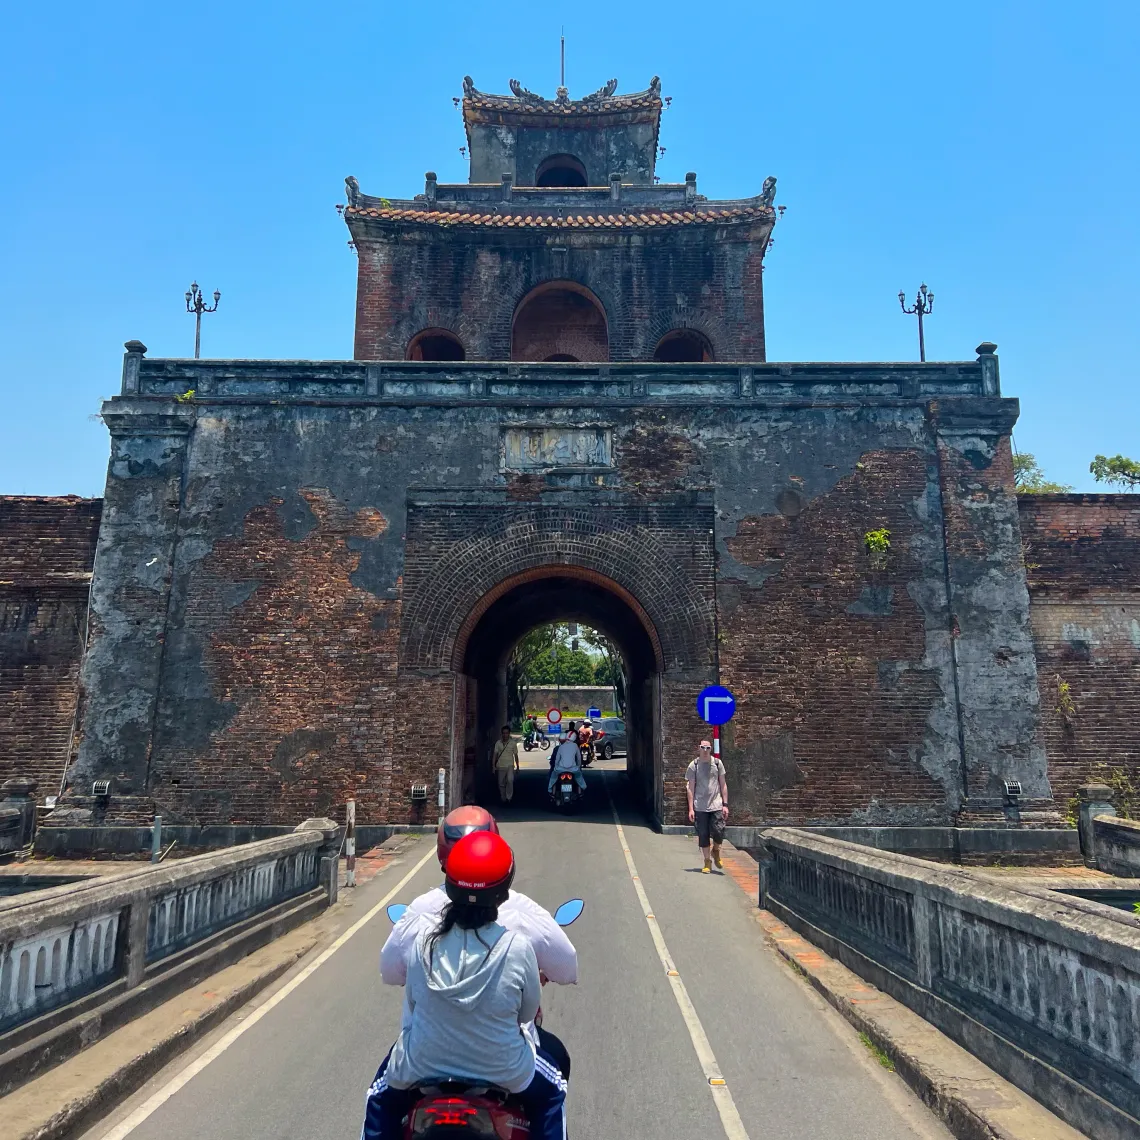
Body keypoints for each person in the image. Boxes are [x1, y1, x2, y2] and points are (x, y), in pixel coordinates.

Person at [363, 831, 568, 1140]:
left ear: (449, 887)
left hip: (422, 1062)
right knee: (553, 1093)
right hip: (504, 1066)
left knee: (379, 1099)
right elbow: (527, 1015)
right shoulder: (517, 947)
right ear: (502, 892)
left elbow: (415, 1004)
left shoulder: (423, 943)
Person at [380, 807, 577, 1077]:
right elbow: (538, 999)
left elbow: (391, 973)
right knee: (554, 1084)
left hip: (423, 1064)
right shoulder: (517, 936)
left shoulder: (422, 927)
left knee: (380, 1093)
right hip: (503, 1068)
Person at [686, 739, 729, 872]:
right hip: (700, 805)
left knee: (719, 830)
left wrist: (725, 804)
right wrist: (691, 809)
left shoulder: (717, 763)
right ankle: (707, 862)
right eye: (703, 748)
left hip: (716, 803)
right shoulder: (694, 766)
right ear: (698, 748)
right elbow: (690, 788)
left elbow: (723, 784)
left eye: (708, 748)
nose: (705, 751)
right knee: (703, 833)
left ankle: (715, 850)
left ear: (711, 749)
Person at [548, 730, 586, 797]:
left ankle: (551, 791)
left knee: (553, 777)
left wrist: (556, 767)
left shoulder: (561, 747)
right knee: (579, 776)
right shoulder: (575, 746)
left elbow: (557, 759)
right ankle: (581, 790)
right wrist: (579, 766)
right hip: (573, 769)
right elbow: (579, 758)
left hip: (560, 769)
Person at [491, 724, 520, 803]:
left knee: (510, 780)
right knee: (501, 783)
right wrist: (493, 766)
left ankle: (509, 797)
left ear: (509, 733)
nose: (505, 735)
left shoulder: (513, 743)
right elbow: (495, 755)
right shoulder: (498, 743)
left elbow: (516, 755)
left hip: (510, 765)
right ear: (501, 734)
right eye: (503, 733)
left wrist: (517, 766)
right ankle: (503, 797)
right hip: (500, 766)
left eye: (507, 733)